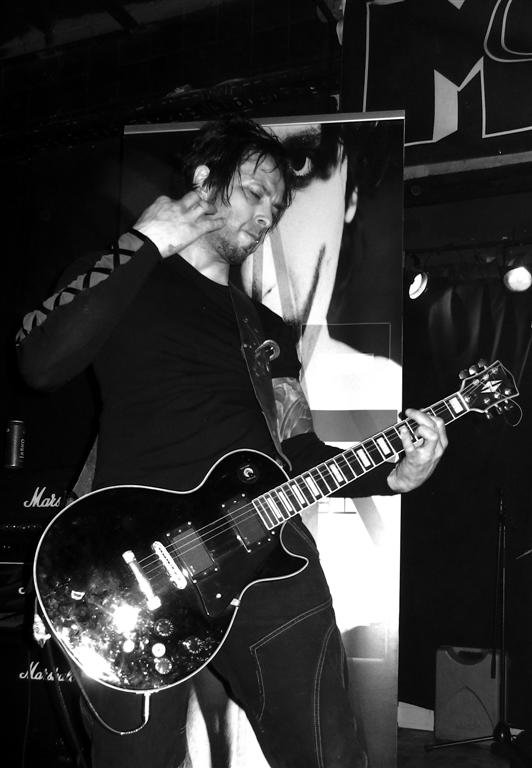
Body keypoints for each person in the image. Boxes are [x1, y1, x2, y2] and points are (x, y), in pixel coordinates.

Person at [16, 115, 447, 768]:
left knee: (330, 756)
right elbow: (39, 362)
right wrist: (144, 243)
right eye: (254, 191)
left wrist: (393, 474)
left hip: (270, 562)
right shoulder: (125, 276)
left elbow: (297, 452)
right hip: (132, 574)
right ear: (203, 180)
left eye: (276, 206)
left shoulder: (267, 331)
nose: (267, 214)